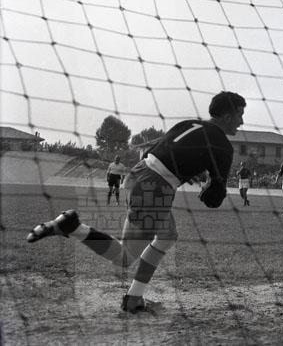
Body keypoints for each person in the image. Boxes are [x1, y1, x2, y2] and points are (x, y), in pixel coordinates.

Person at [26, 91, 246, 314]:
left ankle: (134, 298)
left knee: (167, 236)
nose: (242, 121)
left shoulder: (189, 124)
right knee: (125, 257)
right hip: (156, 187)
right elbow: (213, 198)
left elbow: (158, 151)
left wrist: (188, 169)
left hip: (140, 173)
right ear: (228, 116)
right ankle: (72, 227)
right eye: (240, 115)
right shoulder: (223, 146)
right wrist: (210, 186)